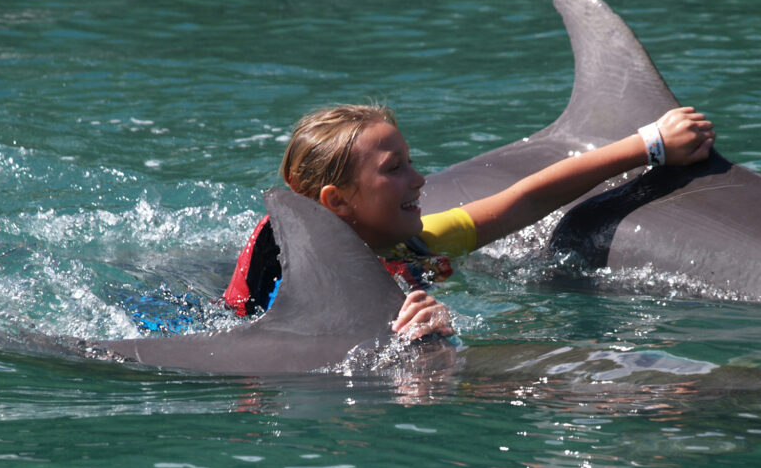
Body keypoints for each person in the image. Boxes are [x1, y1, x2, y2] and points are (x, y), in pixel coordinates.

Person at [225, 103, 715, 339]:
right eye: (395, 169)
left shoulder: (411, 244)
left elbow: (522, 201)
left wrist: (650, 143)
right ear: (337, 203)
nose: (420, 179)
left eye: (410, 162)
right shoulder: (289, 278)